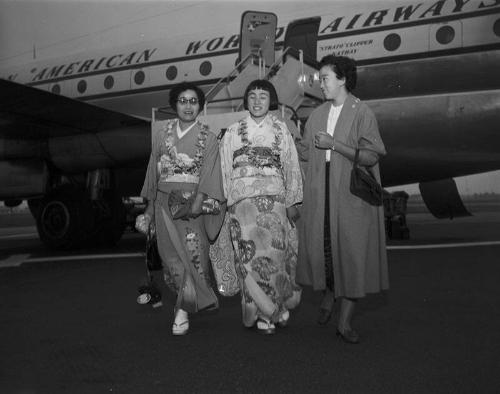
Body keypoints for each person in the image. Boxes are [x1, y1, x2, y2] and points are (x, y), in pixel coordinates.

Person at [296, 55, 389, 344]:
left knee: (351, 256)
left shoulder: (362, 112)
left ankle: (345, 323)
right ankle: (328, 294)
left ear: (342, 79)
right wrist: (290, 139)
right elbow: (305, 153)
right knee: (325, 251)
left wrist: (335, 145)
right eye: (319, 78)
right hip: (321, 192)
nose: (319, 83)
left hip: (350, 196)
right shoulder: (317, 113)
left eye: (324, 77)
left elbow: (373, 154)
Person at [136, 82, 224, 336]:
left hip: (191, 207)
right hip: (164, 204)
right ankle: (183, 304)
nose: (188, 106)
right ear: (175, 104)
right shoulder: (162, 135)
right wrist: (149, 212)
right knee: (171, 257)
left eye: (193, 101)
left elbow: (210, 175)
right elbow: (154, 174)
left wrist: (196, 205)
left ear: (200, 106)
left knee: (194, 258)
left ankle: (181, 310)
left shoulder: (208, 138)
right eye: (183, 101)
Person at [218, 79, 302, 334]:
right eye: (252, 96)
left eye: (263, 96)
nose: (256, 101)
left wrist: (292, 200)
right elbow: (224, 169)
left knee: (273, 257)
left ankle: (270, 310)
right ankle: (259, 309)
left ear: (271, 100)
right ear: (246, 100)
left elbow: (291, 167)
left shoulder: (280, 130)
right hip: (241, 205)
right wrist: (225, 201)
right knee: (247, 258)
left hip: (274, 203)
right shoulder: (233, 131)